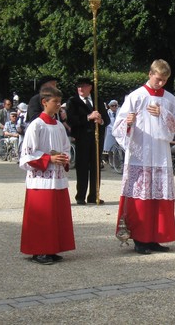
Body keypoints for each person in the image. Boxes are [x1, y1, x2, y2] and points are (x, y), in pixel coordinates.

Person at [112, 59, 175, 254]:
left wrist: (163, 113)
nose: (161, 83)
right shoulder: (135, 96)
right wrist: (128, 122)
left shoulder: (170, 99)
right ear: (150, 74)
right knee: (141, 197)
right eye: (158, 79)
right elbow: (118, 128)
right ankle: (140, 239)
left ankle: (155, 237)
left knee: (159, 197)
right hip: (140, 154)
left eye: (164, 80)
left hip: (160, 154)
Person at [19, 85, 74, 265]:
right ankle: (39, 251)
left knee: (56, 215)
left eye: (60, 102)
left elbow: (67, 148)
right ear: (44, 102)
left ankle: (52, 248)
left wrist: (65, 157)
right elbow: (27, 154)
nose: (59, 105)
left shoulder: (58, 126)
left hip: (57, 179)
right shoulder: (36, 125)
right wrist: (49, 158)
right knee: (42, 216)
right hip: (40, 181)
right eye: (55, 102)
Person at [66, 77, 110, 205]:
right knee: (82, 167)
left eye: (83, 86)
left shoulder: (98, 100)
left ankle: (94, 195)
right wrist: (88, 117)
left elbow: (106, 120)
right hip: (82, 138)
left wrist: (100, 120)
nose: (80, 89)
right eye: (79, 86)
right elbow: (72, 120)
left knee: (96, 166)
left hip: (96, 139)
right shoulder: (73, 101)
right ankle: (80, 195)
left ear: (90, 87)